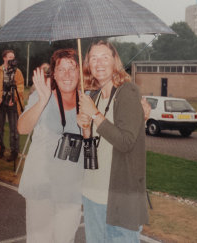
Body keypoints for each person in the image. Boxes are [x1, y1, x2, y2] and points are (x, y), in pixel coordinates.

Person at [77, 40, 149, 243]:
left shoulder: (128, 92)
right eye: (93, 58)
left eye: (104, 57)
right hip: (92, 193)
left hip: (119, 197)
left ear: (115, 61)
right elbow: (93, 149)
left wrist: (95, 114)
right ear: (88, 64)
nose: (98, 63)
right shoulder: (95, 95)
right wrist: (85, 130)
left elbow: (126, 142)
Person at [17, 49, 84, 243]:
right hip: (41, 183)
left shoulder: (87, 100)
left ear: (80, 72)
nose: (67, 74)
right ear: (53, 74)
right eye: (61, 69)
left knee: (65, 239)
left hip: (71, 186)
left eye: (72, 68)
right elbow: (22, 127)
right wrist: (42, 101)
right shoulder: (42, 96)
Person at [0, 49, 24, 162]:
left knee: (14, 129)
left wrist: (14, 98)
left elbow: (20, 86)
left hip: (13, 102)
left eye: (13, 57)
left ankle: (14, 152)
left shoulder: (17, 72)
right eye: (9, 57)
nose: (12, 59)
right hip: (0, 101)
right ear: (4, 58)